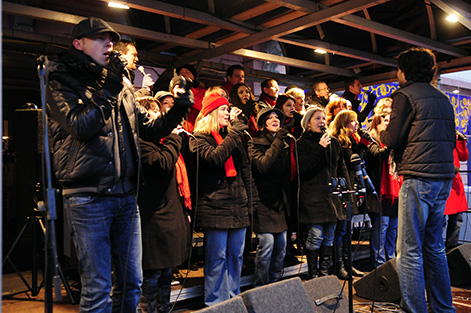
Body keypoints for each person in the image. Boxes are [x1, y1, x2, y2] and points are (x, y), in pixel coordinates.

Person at [46, 17, 193, 312]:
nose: (109, 44)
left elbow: (149, 128)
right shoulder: (61, 80)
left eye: (111, 39)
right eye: (100, 38)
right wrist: (110, 84)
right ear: (79, 44)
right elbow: (81, 127)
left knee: (132, 283)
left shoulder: (121, 85)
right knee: (98, 287)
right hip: (89, 195)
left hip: (126, 196)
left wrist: (178, 109)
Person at [380, 47, 456, 313]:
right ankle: (443, 309)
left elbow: (391, 139)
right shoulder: (443, 98)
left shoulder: (404, 95)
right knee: (434, 248)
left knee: (409, 250)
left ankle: (414, 310)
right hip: (443, 178)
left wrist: (382, 128)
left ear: (404, 71)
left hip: (418, 177)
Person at [189, 93, 258, 307]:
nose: (228, 113)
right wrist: (233, 135)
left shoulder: (234, 139)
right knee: (217, 258)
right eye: (223, 109)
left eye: (229, 110)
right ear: (210, 113)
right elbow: (215, 158)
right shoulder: (198, 138)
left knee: (236, 257)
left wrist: (251, 200)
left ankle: (233, 298)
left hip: (238, 204)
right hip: (214, 206)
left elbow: (246, 170)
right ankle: (215, 303)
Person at [138, 120, 191, 313]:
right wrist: (174, 137)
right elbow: (163, 164)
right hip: (153, 218)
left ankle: (164, 309)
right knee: (152, 272)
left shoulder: (161, 144)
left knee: (167, 271)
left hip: (170, 215)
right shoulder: (142, 144)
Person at [297, 106, 349, 278]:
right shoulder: (301, 143)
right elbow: (303, 167)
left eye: (323, 118)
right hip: (312, 197)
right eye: (317, 119)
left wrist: (346, 192)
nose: (321, 122)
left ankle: (324, 273)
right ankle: (313, 276)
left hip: (331, 196)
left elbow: (341, 168)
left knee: (329, 236)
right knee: (315, 235)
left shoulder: (333, 142)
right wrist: (320, 148)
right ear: (308, 123)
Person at [249, 107, 291, 286]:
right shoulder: (254, 142)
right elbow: (264, 166)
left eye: (277, 118)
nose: (275, 120)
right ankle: (261, 287)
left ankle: (275, 283)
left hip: (278, 202)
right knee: (266, 245)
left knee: (281, 246)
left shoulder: (283, 144)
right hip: (263, 201)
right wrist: (278, 142)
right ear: (262, 123)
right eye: (270, 117)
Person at [329, 110, 368, 279]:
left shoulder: (352, 140)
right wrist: (363, 145)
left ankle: (348, 264)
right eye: (353, 121)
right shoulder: (339, 142)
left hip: (351, 186)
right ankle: (339, 266)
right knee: (341, 229)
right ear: (344, 124)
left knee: (348, 229)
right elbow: (352, 162)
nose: (357, 124)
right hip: (342, 187)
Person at [364, 114, 401, 268]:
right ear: (377, 123)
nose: (388, 124)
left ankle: (391, 263)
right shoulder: (370, 139)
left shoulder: (394, 145)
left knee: (393, 230)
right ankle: (379, 266)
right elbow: (378, 155)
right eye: (385, 121)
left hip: (395, 192)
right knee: (381, 229)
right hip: (380, 192)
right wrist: (389, 140)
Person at [444, 131, 468, 252]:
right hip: (443, 181)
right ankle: (435, 252)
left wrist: (461, 141)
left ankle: (452, 251)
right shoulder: (438, 135)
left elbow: (464, 157)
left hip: (456, 185)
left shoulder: (455, 138)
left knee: (457, 220)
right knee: (440, 221)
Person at [176, 64, 206, 132]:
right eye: (181, 73)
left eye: (187, 73)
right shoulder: (174, 93)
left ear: (194, 77)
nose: (183, 75)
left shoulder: (203, 93)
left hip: (196, 129)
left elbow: (203, 109)